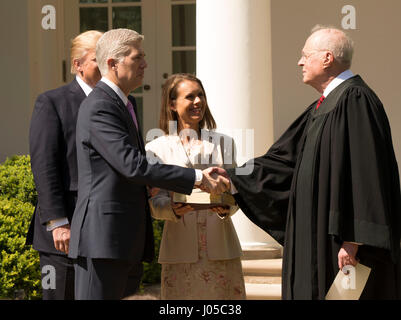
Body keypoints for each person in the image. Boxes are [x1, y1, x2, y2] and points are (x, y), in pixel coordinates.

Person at [214, 25, 401, 299]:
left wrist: (354, 239)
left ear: (327, 58)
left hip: (341, 248)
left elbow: (367, 173)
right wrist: (234, 177)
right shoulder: (322, 107)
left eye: (306, 55)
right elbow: (282, 163)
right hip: (313, 239)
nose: (300, 62)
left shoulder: (356, 100)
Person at [68, 29, 229, 300]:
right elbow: (133, 165)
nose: (145, 64)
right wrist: (197, 178)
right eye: (137, 57)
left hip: (123, 239)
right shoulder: (100, 106)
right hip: (102, 240)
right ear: (112, 63)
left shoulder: (124, 103)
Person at [145, 73, 246, 300]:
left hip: (221, 248)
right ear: (172, 104)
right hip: (179, 250)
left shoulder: (224, 143)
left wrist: (227, 208)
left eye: (200, 95)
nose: (198, 101)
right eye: (190, 97)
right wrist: (170, 209)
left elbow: (238, 192)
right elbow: (154, 200)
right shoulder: (155, 149)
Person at [26, 30, 103, 300]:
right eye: (97, 59)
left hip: (104, 231)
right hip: (63, 233)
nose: (106, 66)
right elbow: (44, 165)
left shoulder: (122, 104)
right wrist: (58, 222)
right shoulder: (52, 102)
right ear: (77, 65)